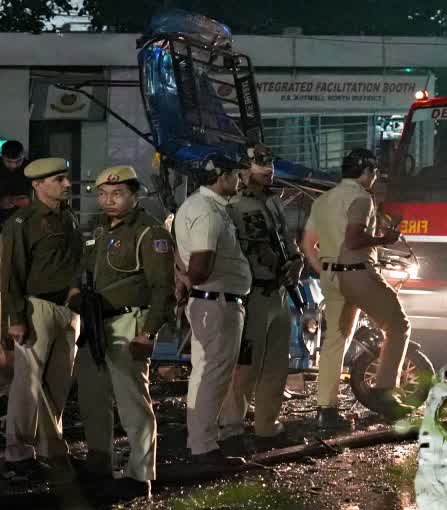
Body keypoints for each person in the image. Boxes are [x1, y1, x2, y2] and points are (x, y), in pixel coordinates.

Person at [72, 166, 174, 497]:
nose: (108, 200)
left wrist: (148, 332)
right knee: (92, 396)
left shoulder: (150, 232)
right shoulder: (100, 231)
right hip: (96, 323)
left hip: (130, 323)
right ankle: (99, 462)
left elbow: (163, 288)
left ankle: (140, 474)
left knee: (132, 400)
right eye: (103, 194)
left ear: (134, 195)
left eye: (117, 194)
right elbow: (87, 271)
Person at [304, 148, 411, 435]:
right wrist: (384, 238)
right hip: (357, 273)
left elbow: (308, 244)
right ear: (366, 172)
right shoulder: (361, 197)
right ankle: (385, 394)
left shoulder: (323, 199)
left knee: (335, 341)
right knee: (399, 326)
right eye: (373, 173)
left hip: (331, 276)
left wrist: (325, 270)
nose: (374, 178)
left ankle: (325, 410)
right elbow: (353, 239)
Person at [0, 157, 81, 472]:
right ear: (37, 185)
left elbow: (75, 260)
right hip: (37, 308)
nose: (66, 184)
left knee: (58, 382)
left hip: (67, 309)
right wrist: (16, 317)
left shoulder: (67, 217)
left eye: (65, 178)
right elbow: (11, 274)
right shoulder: (23, 222)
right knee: (28, 383)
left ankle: (51, 447)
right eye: (58, 179)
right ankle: (18, 451)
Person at [219, 143, 303, 445]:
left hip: (279, 292)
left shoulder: (273, 201)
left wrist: (296, 261)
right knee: (246, 365)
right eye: (259, 164)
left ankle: (266, 425)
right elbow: (251, 249)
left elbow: (286, 238)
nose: (268, 169)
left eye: (269, 163)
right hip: (253, 293)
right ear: (242, 170)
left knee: (276, 365)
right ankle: (232, 427)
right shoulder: (236, 205)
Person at [174, 154, 250, 465]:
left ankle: (200, 443)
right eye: (235, 175)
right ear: (221, 177)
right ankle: (204, 448)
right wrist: (188, 281)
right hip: (215, 302)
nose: (239, 180)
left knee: (205, 373)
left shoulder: (203, 206)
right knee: (211, 375)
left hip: (212, 301)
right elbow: (201, 266)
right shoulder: (207, 212)